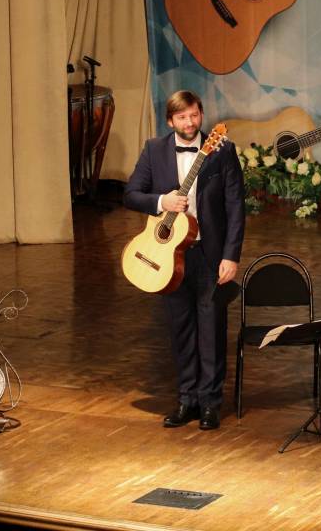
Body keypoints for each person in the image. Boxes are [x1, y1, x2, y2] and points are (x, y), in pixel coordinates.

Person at [124, 90, 245, 431]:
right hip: (168, 258)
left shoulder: (222, 150)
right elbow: (131, 194)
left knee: (211, 332)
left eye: (194, 115)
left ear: (200, 114)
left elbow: (235, 206)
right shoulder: (154, 150)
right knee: (180, 330)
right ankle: (186, 399)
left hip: (209, 255)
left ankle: (210, 403)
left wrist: (230, 256)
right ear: (170, 121)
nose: (189, 123)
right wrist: (161, 201)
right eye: (182, 117)